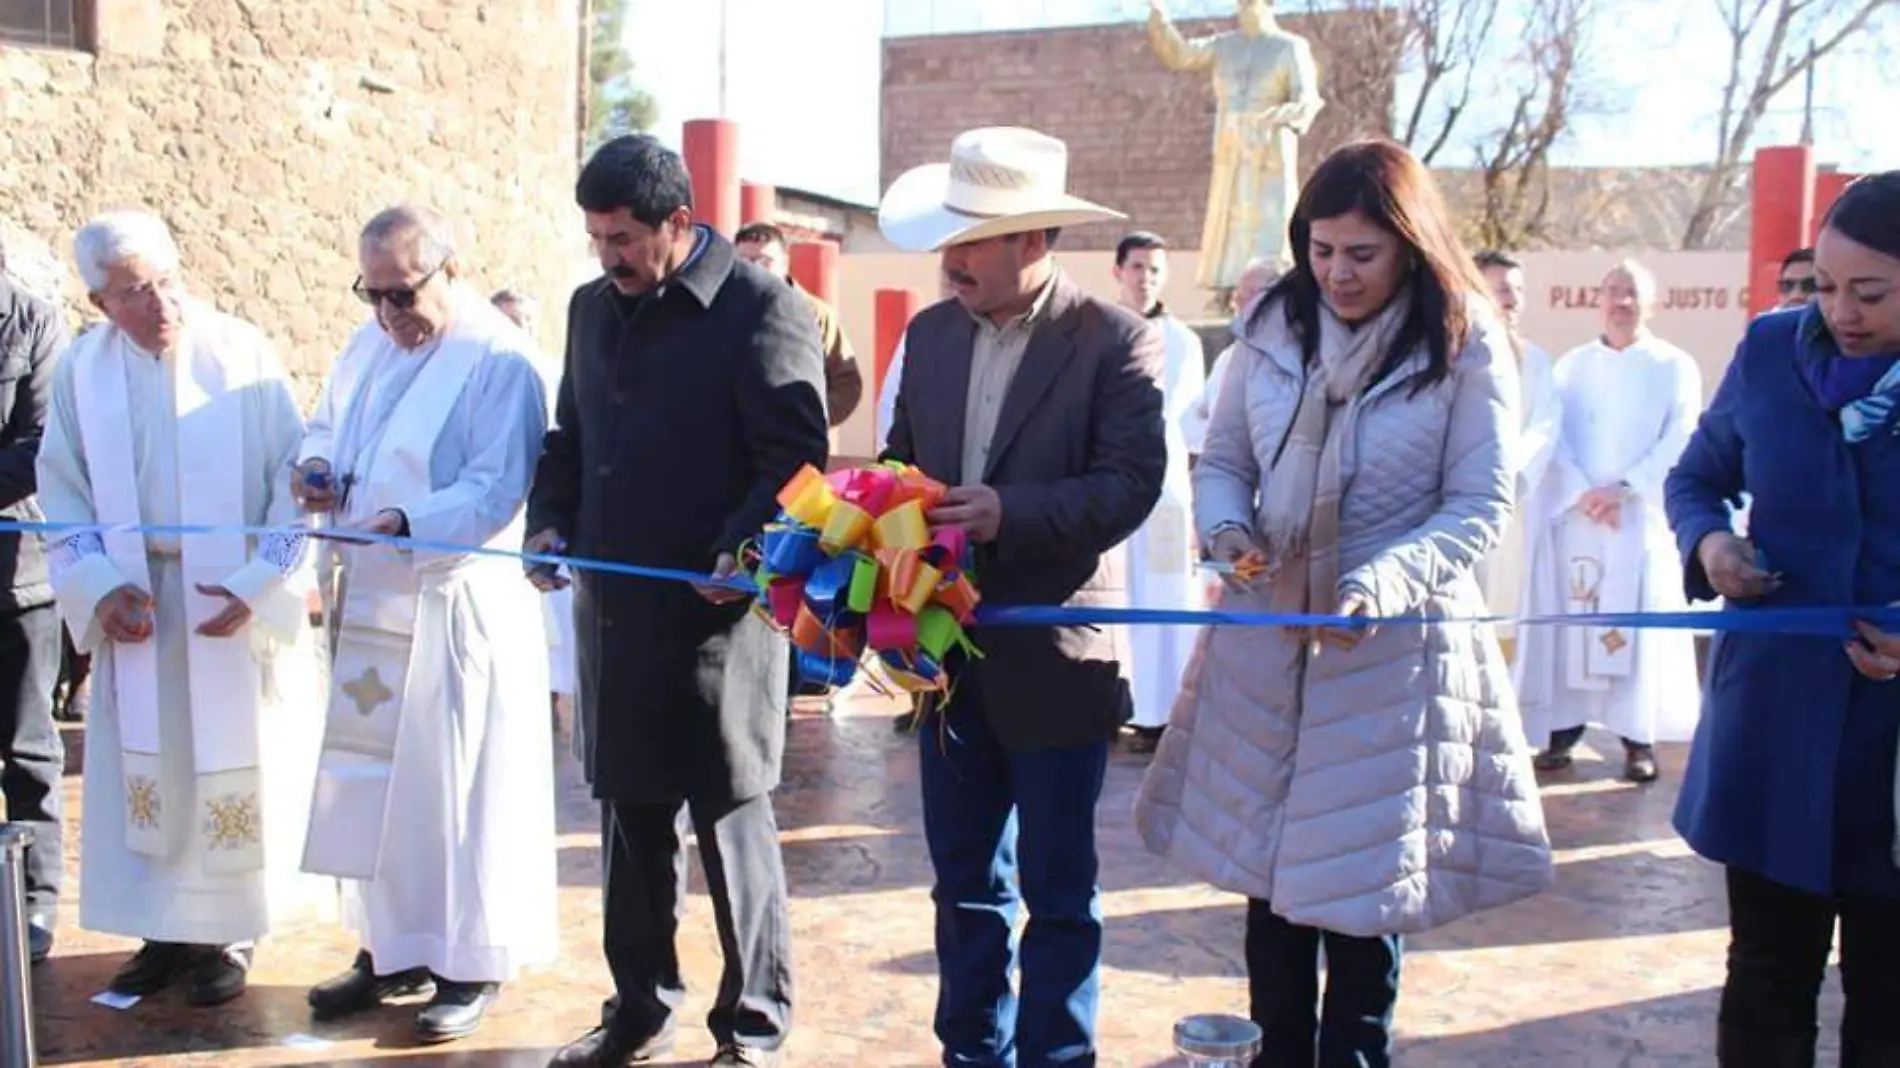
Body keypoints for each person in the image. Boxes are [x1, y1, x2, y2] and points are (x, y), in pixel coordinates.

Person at [1133, 140, 1554, 1068]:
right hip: (1268, 645)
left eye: (1360, 253)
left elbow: (1478, 502)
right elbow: (1229, 458)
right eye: (1321, 250)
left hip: (1390, 657)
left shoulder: (1464, 337)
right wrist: (1231, 532)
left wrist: (1385, 582)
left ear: (1408, 244)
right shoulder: (1271, 324)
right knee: (1271, 895)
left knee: (1361, 912)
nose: (1337, 273)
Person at [534, 135, 827, 1068]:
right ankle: (639, 1007)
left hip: (716, 627)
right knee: (630, 828)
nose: (607, 256)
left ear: (679, 224)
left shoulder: (764, 310)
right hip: (617, 621)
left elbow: (797, 467)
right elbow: (569, 438)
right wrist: (549, 524)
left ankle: (754, 1026)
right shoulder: (590, 310)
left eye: (622, 237)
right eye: (595, 238)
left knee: (731, 827)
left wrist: (741, 550)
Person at [879, 125, 1167, 1066]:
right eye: (949, 237)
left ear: (1033, 241)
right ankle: (971, 1050)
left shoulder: (1116, 343)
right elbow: (899, 464)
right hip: (946, 662)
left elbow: (1130, 485)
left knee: (1059, 891)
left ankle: (1055, 1056)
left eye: (971, 239)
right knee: (962, 885)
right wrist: (875, 527)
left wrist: (1012, 512)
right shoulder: (927, 337)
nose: (950, 259)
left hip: (1056, 661)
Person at [37, 209, 324, 1004]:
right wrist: (98, 587)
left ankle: (227, 938)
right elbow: (65, 492)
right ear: (101, 304)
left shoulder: (242, 354)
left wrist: (257, 583)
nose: (159, 303)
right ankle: (162, 934)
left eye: (166, 281)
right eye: (133, 291)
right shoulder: (82, 374)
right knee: (153, 768)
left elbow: (290, 478)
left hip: (222, 602)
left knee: (225, 765)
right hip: (139, 600)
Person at [296, 205, 558, 1044]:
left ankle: (469, 962)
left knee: (458, 790)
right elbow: (330, 424)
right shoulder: (370, 341)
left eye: (402, 293)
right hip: (371, 600)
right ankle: (393, 944)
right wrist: (314, 470)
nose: (387, 315)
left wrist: (408, 521)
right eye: (371, 294)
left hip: (454, 605)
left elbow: (497, 486)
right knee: (383, 789)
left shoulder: (498, 359)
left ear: (449, 267)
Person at [1666, 172, 1900, 1067]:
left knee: (1888, 997)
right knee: (1765, 977)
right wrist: (1713, 546)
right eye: (1825, 285)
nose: (1838, 311)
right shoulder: (1770, 351)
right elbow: (1696, 477)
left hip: (1889, 758)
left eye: (1869, 293)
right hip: (1772, 726)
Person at [1513, 259, 1704, 783]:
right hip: (1580, 515)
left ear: (1651, 302)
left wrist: (1625, 489)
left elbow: (1681, 435)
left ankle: (1636, 738)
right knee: (1574, 621)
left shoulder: (1673, 365)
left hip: (1635, 518)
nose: (1621, 302)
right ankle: (1563, 730)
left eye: (1632, 293)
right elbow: (1554, 433)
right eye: (1613, 291)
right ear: (1598, 299)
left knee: (1633, 625)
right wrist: (1583, 491)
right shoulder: (1571, 365)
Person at [1111, 231, 1206, 756]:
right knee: (1111, 594)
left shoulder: (1184, 341)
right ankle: (1114, 701)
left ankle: (1164, 712)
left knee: (1166, 597)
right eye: (1137, 267)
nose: (1145, 277)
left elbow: (1192, 422)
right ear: (1118, 271)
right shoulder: (1099, 330)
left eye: (1154, 269)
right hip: (1109, 481)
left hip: (1165, 490)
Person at [0, 251, 67, 965]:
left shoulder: (34, 323)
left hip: (14, 581)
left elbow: (39, 444)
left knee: (27, 748)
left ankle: (34, 903)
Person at [491, 286, 576, 715]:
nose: (517, 330)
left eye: (524, 321)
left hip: (541, 518)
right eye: (508, 320)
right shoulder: (481, 374)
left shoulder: (552, 372)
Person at [1473, 249, 1563, 606]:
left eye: (1517, 290)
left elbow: (1545, 425)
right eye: (1501, 290)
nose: (1511, 301)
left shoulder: (1536, 361)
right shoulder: (1451, 356)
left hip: (1515, 507)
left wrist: (1508, 478)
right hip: (1461, 503)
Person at [734, 221, 864, 431]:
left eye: (764, 261)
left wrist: (812, 417)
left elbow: (847, 384)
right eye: (747, 261)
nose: (755, 269)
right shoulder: (722, 311)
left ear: (785, 263)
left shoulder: (815, 314)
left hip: (796, 443)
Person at [1184, 256, 1282, 456]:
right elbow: (1189, 423)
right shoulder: (1229, 356)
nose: (1238, 300)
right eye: (1239, 291)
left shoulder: (1291, 358)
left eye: (1251, 292)